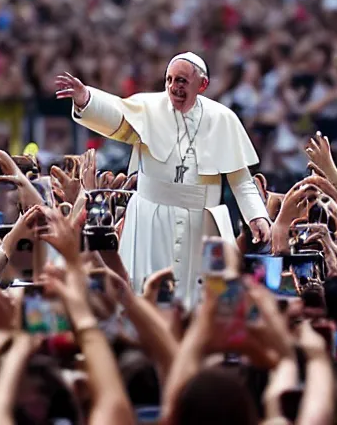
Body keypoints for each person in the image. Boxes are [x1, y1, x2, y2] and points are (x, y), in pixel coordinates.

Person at [56, 53, 271, 305]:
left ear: (202, 85)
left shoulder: (223, 119)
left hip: (201, 220)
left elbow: (241, 179)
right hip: (150, 218)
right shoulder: (149, 108)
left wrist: (257, 215)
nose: (173, 87)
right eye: (169, 80)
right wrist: (86, 99)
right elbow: (115, 112)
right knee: (147, 293)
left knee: (201, 300)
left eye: (181, 81)